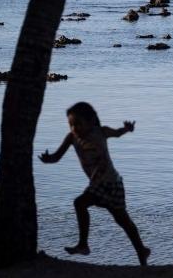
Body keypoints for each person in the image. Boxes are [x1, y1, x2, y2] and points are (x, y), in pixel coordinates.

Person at [39, 102, 150, 265]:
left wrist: (128, 128)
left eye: (78, 123)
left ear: (91, 121)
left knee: (120, 219)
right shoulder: (72, 138)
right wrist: (48, 159)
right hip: (98, 184)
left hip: (111, 183)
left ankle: (140, 251)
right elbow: (57, 157)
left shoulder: (100, 132)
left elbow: (118, 133)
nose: (74, 128)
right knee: (88, 206)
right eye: (71, 124)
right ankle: (140, 250)